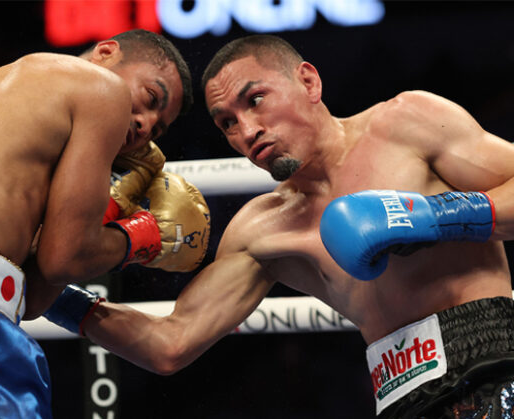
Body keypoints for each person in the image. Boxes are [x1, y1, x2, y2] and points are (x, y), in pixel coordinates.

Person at [49, 35, 514, 418]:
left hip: (497, 362)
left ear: (308, 81)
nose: (247, 131)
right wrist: (51, 291)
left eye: (255, 100)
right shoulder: (263, 229)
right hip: (400, 401)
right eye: (227, 122)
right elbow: (171, 343)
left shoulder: (406, 124)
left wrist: (436, 217)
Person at [0, 29, 211, 419]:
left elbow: (32, 297)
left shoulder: (18, 105)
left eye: (158, 129)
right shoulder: (101, 89)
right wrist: (141, 236)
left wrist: (110, 206)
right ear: (106, 52)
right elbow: (64, 260)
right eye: (151, 98)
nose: (145, 124)